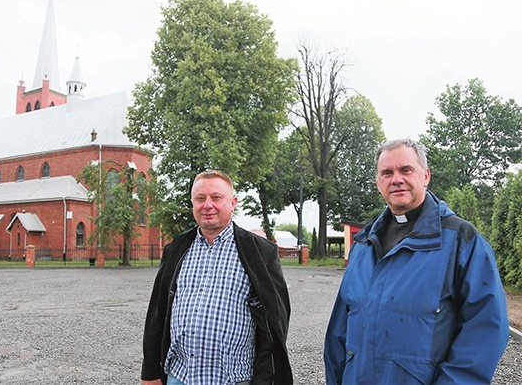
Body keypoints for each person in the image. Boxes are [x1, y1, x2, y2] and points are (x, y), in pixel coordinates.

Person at [324, 138, 509, 384]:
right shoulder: (364, 244)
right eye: (387, 172)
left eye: (406, 170)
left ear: (425, 176)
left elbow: (485, 329)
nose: (396, 179)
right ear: (379, 182)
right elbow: (340, 330)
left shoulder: (461, 242)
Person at [141, 170, 293, 385]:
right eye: (200, 198)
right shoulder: (176, 248)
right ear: (192, 202)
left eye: (216, 198)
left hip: (234, 379)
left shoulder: (260, 252)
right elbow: (157, 313)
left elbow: (275, 324)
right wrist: (150, 373)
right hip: (179, 376)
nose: (207, 205)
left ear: (233, 202)